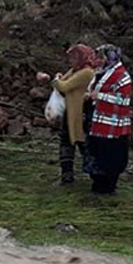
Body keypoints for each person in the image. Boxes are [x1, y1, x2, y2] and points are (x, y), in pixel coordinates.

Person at [37, 44, 100, 184]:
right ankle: (67, 174)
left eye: (73, 57)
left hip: (80, 114)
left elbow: (64, 86)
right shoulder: (75, 70)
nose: (70, 60)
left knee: (83, 143)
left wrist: (54, 80)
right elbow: (61, 84)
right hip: (70, 112)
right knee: (66, 141)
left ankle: (96, 175)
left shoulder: (87, 73)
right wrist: (56, 79)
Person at [87, 44, 132, 195]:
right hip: (100, 122)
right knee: (98, 152)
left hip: (114, 124)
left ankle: (108, 186)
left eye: (102, 57)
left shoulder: (122, 76)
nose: (99, 60)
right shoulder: (103, 73)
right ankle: (99, 184)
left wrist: (99, 96)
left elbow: (124, 100)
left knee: (112, 155)